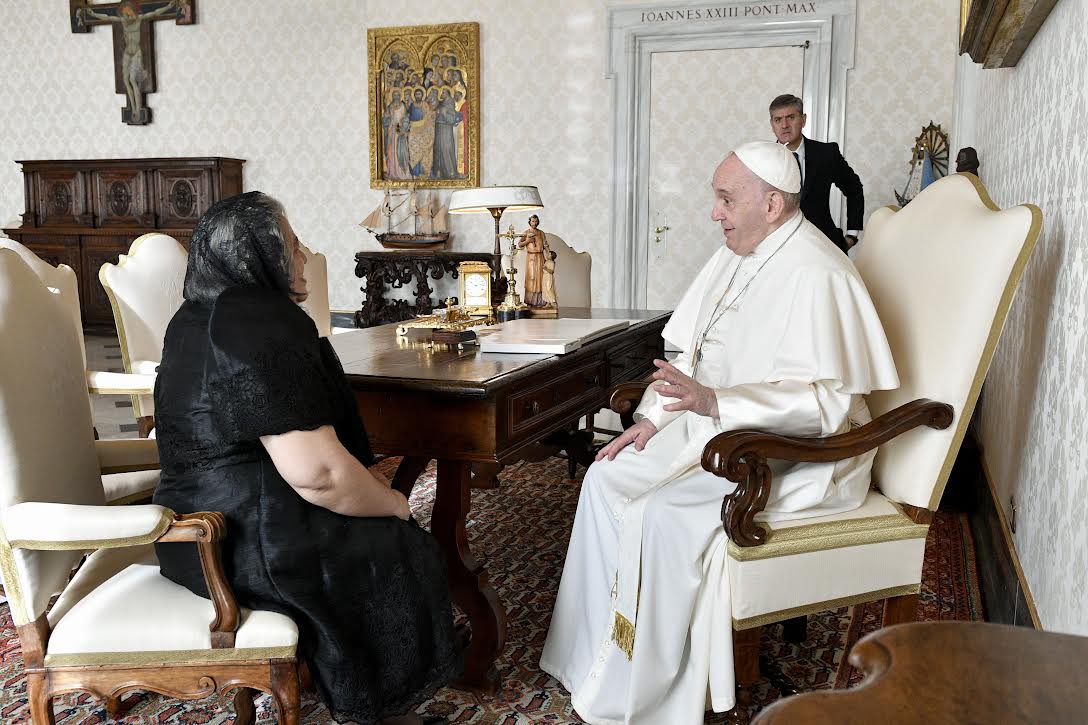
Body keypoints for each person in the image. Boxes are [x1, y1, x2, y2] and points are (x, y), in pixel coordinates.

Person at [540, 142, 898, 724]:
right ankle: (594, 659)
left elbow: (824, 407)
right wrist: (653, 419)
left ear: (772, 204)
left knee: (662, 515)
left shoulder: (820, 272)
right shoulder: (738, 253)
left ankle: (657, 691)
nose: (715, 213)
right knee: (605, 479)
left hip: (795, 453)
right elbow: (691, 356)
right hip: (718, 432)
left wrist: (716, 403)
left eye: (726, 199)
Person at [153, 192, 460, 725]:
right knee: (396, 544)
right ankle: (380, 710)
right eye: (292, 244)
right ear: (259, 254)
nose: (301, 255)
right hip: (242, 544)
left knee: (376, 527)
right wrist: (392, 503)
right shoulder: (256, 316)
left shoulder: (193, 316)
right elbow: (317, 475)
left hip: (189, 536)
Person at [769, 93, 864, 253]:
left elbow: (854, 188)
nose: (784, 125)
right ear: (772, 124)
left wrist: (852, 235)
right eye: (778, 119)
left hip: (824, 245)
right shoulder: (762, 159)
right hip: (777, 249)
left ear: (803, 119)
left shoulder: (826, 154)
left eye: (791, 117)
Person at [83, 0, 177, 121]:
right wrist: (93, 14)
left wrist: (168, 7)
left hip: (136, 54)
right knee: (126, 81)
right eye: (124, 14)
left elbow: (155, 12)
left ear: (133, 11)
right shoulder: (123, 21)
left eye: (128, 13)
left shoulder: (140, 19)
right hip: (127, 53)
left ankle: (138, 109)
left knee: (133, 80)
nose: (126, 16)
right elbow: (107, 17)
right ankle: (133, 109)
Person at [516, 214, 548, 307]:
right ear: (529, 222)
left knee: (540, 278)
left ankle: (540, 301)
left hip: (540, 257)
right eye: (533, 221)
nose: (535, 223)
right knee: (532, 277)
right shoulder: (526, 232)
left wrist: (548, 255)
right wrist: (528, 241)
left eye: (536, 221)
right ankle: (530, 301)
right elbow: (520, 244)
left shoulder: (541, 233)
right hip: (531, 257)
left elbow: (545, 244)